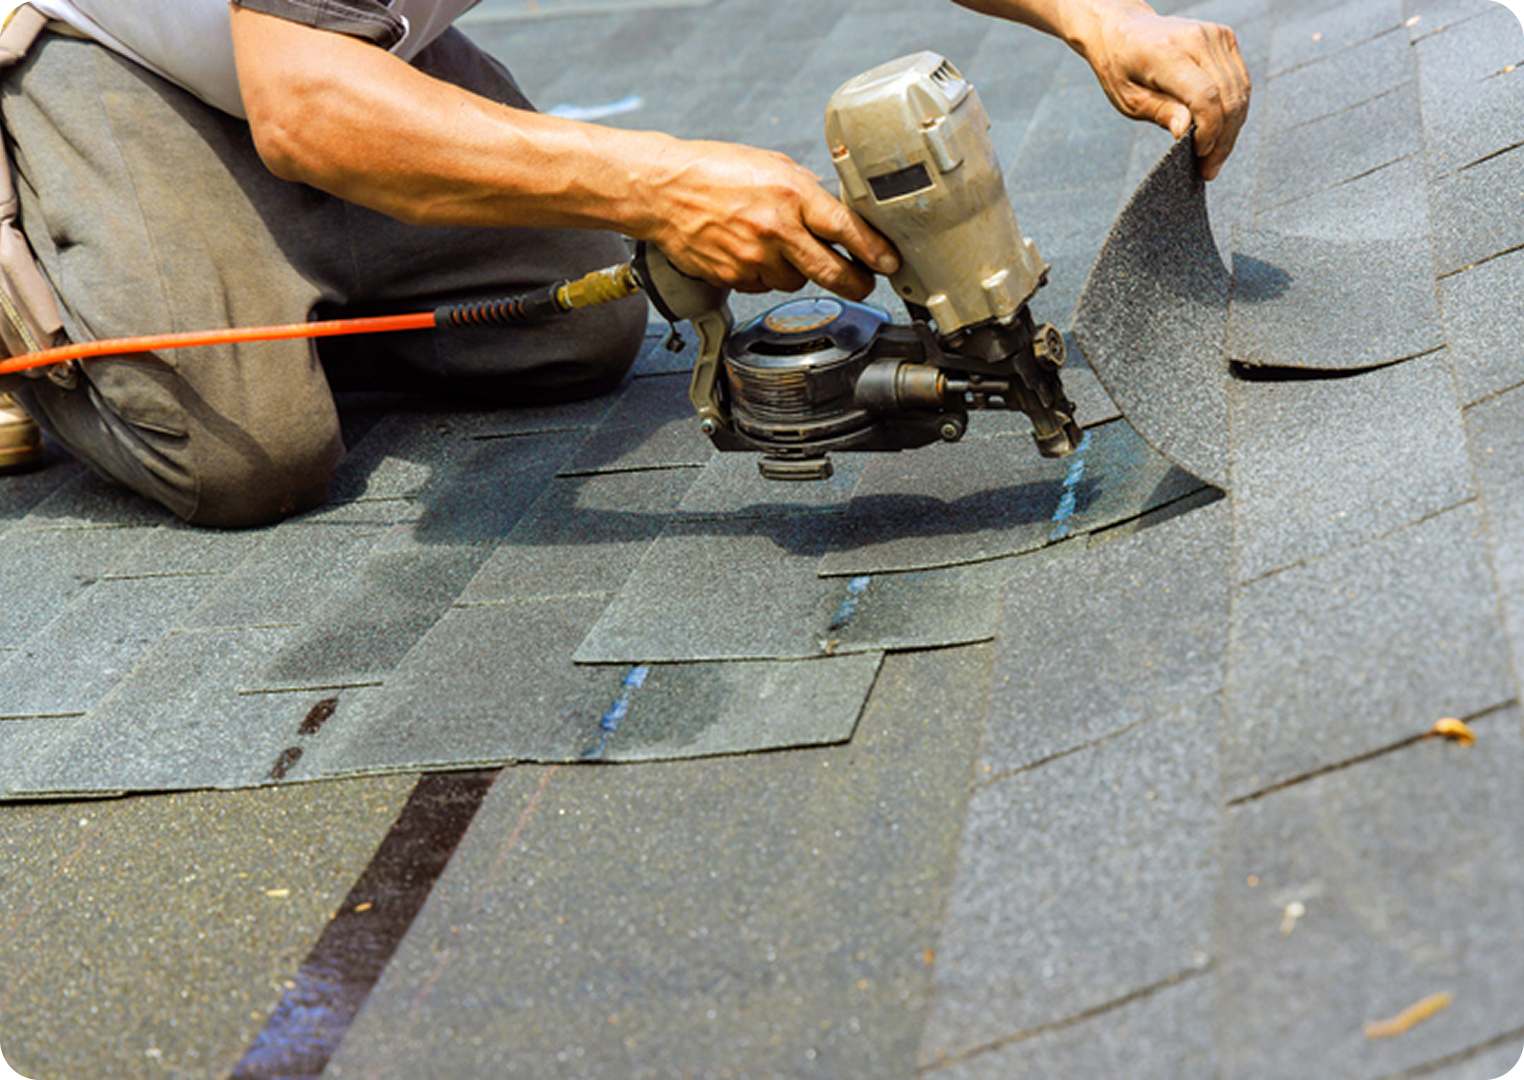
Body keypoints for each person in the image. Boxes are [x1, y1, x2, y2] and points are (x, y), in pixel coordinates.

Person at [0, 0, 1248, 527]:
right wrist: (661, 179)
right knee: (245, 448)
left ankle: (252, 264)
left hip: (299, 43)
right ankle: (41, 259)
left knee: (584, 323)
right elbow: (309, 113)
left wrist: (1102, 19)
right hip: (100, 53)